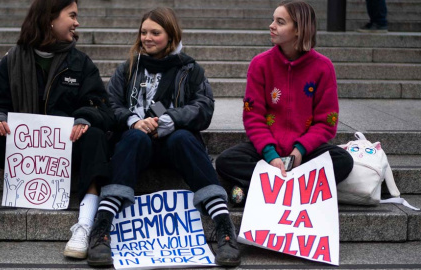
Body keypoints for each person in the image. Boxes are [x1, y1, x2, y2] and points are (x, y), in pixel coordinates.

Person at [0, 0, 115, 259]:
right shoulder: (11, 61)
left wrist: (84, 118)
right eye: (72, 15)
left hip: (66, 148)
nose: (77, 22)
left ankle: (84, 225)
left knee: (97, 137)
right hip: (19, 148)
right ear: (50, 20)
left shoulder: (80, 63)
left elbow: (100, 106)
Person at [86, 7, 241, 267]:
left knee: (183, 138)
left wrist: (170, 119)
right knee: (134, 139)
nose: (147, 37)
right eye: (144, 32)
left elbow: (204, 107)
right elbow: (110, 104)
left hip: (174, 144)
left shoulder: (190, 69)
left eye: (155, 33)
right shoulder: (128, 68)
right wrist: (133, 121)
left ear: (170, 36)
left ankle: (224, 227)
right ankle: (101, 229)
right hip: (136, 145)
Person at [216, 0, 354, 205]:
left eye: (280, 22)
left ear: (299, 29)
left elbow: (327, 121)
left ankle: (258, 189)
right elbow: (253, 117)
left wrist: (299, 151)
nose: (272, 26)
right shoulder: (260, 64)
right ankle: (296, 190)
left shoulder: (323, 67)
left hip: (304, 154)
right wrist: (271, 155)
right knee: (225, 161)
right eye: (273, 20)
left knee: (343, 161)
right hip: (267, 152)